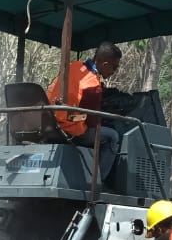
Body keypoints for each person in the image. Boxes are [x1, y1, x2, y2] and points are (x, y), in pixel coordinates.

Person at [46, 41, 124, 179]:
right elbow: (93, 123)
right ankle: (97, 181)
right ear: (105, 64)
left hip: (51, 121)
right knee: (112, 136)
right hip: (70, 128)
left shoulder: (74, 66)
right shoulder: (92, 85)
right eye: (114, 67)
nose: (114, 72)